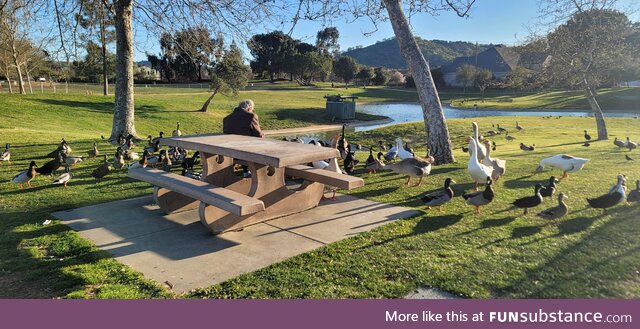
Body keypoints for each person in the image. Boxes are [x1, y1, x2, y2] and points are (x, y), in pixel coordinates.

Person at [222, 99, 264, 178]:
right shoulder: (251, 116)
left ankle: (246, 171)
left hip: (231, 150)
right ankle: (257, 174)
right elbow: (258, 134)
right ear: (249, 108)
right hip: (246, 150)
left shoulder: (227, 118)